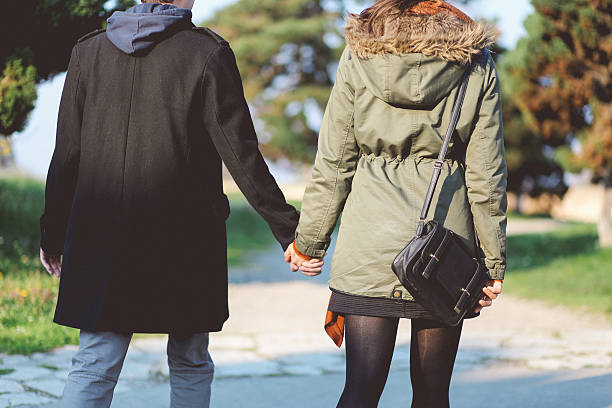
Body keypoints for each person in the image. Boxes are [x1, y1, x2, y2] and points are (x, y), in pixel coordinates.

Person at [39, 0, 322, 406]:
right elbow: (241, 156)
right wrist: (291, 233)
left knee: (95, 361)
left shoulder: (88, 52)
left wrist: (53, 235)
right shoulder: (207, 53)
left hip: (101, 236)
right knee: (190, 360)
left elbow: (66, 154)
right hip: (184, 242)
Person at [285, 1, 507, 407]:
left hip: (369, 244)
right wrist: (492, 264)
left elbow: (334, 161)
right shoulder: (475, 61)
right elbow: (487, 176)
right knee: (432, 393)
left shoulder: (360, 51)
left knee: (361, 389)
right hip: (444, 248)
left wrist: (308, 243)